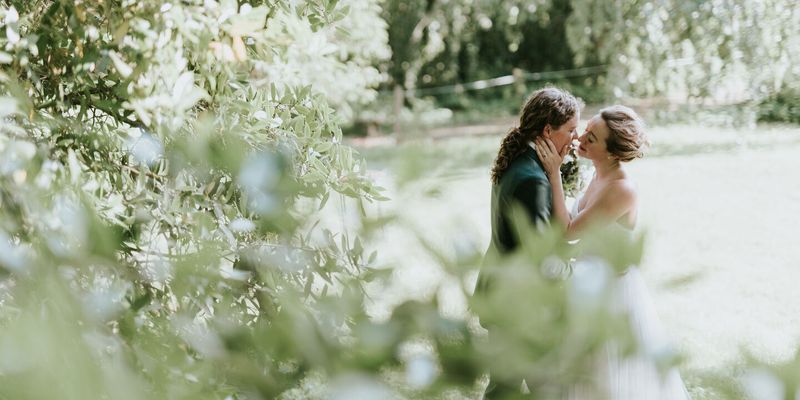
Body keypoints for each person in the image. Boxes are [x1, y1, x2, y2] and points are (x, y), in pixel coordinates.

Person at [534, 105, 691, 399]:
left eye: (591, 138)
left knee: (607, 377)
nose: (580, 137)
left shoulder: (622, 189)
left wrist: (553, 172)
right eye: (586, 129)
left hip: (613, 296)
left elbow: (569, 230)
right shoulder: (597, 175)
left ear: (612, 153)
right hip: (587, 287)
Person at [476, 87, 580, 399]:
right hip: (519, 302)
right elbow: (539, 256)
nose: (576, 138)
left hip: (501, 289)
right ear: (548, 130)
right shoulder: (533, 179)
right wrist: (577, 270)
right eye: (571, 130)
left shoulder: (522, 159)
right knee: (527, 386)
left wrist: (556, 173)